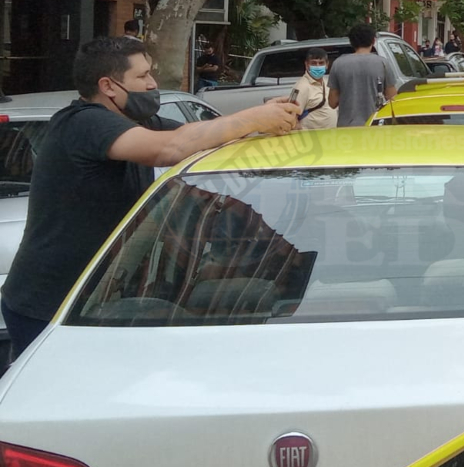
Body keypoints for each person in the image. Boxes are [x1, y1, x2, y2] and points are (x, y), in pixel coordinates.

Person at [0, 37, 299, 360]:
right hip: (50, 303)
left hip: (97, 300)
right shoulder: (83, 123)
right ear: (108, 86)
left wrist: (271, 120)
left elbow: (204, 138)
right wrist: (252, 118)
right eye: (143, 76)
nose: (153, 83)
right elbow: (169, 149)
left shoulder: (140, 122)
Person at [328, 24, 398, 127]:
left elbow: (332, 102)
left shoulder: (338, 64)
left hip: (346, 128)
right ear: (373, 41)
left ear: (351, 42)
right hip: (374, 125)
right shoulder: (383, 63)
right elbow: (392, 98)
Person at [291, 47, 337, 129]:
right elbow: (292, 117)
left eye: (321, 63)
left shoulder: (327, 83)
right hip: (312, 139)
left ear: (327, 65)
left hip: (331, 137)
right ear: (306, 65)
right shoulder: (301, 87)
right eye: (314, 63)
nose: (318, 66)